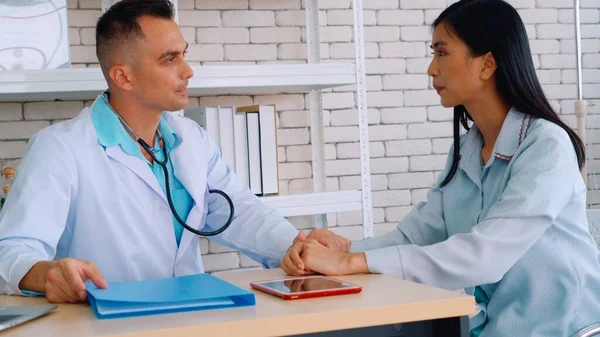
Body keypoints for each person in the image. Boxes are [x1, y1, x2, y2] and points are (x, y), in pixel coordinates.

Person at [282, 0, 600, 335]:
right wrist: (337, 252)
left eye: (442, 53)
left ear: (487, 64)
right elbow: (415, 237)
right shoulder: (467, 149)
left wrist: (349, 263)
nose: (432, 69)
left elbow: (486, 254)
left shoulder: (546, 145)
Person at [0, 0, 298, 303]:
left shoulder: (192, 139)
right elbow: (12, 251)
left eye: (184, 54)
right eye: (170, 59)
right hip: (107, 326)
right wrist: (49, 274)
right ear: (123, 77)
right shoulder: (60, 148)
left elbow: (240, 211)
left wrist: (296, 246)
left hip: (196, 316)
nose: (188, 71)